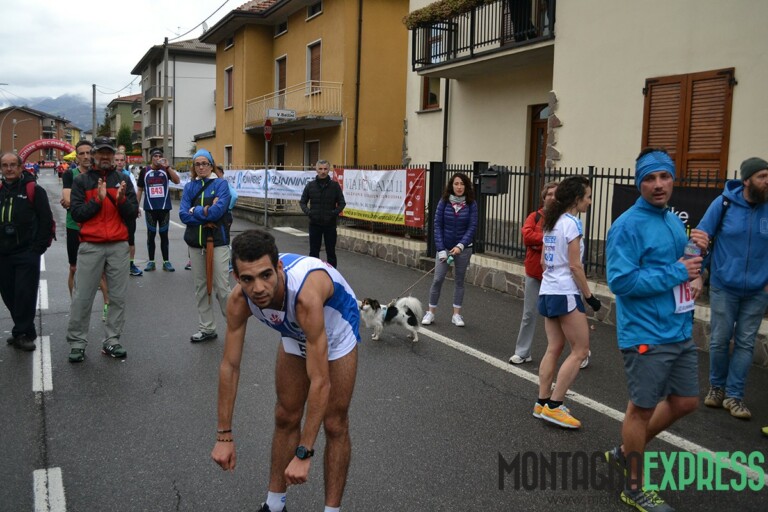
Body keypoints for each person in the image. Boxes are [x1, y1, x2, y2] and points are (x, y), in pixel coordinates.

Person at [211, 229, 359, 512]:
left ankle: (332, 510)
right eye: (248, 279)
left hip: (335, 325)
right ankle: (275, 504)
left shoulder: (305, 298)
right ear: (236, 277)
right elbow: (230, 366)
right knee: (285, 414)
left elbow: (320, 382)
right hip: (295, 329)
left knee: (334, 423)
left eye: (266, 275)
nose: (258, 288)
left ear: (279, 267)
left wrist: (304, 452)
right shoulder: (239, 301)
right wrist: (224, 436)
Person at [606, 148, 705, 511]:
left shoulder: (673, 221)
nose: (658, 184)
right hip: (645, 332)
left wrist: (696, 269)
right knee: (641, 410)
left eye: (664, 176)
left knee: (685, 401)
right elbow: (621, 281)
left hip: (678, 328)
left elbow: (684, 267)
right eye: (649, 178)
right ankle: (634, 488)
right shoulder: (626, 226)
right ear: (639, 183)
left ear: (672, 179)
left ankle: (625, 450)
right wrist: (679, 271)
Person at [693, 157, 768, 420]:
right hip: (724, 286)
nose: (767, 181)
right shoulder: (724, 203)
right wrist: (696, 274)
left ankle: (734, 396)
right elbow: (699, 237)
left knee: (746, 343)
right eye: (761, 176)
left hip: (758, 291)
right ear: (746, 180)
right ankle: (716, 388)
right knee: (719, 339)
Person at [534, 176, 600, 429]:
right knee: (581, 350)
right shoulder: (572, 223)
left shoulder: (551, 222)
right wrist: (589, 296)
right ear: (576, 198)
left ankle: (542, 402)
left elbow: (543, 262)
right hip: (565, 292)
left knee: (554, 347)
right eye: (588, 197)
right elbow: (575, 266)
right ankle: (554, 406)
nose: (590, 202)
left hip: (548, 290)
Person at [66, 137, 139, 362]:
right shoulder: (81, 181)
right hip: (90, 245)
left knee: (117, 297)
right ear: (94, 155)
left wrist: (121, 201)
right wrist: (97, 200)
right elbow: (77, 214)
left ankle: (112, 341)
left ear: (114, 155)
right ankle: (77, 343)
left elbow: (132, 213)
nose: (105, 157)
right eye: (101, 153)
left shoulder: (123, 179)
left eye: (109, 153)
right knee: (82, 297)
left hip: (118, 245)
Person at [0, 152, 54, 352]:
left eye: (13, 165)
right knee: (8, 294)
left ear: (21, 167)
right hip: (3, 254)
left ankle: (21, 333)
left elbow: (46, 220)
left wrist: (37, 249)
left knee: (24, 293)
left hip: (26, 252)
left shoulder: (34, 190)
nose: (9, 169)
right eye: (5, 165)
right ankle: (26, 329)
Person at [179, 149, 231, 343]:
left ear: (211, 165)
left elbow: (218, 212)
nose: (201, 167)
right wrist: (206, 212)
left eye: (205, 163)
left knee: (222, 288)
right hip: (195, 243)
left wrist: (195, 210)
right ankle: (207, 328)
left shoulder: (221, 184)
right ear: (194, 167)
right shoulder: (189, 187)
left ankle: (234, 326)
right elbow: (183, 215)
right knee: (201, 288)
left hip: (218, 242)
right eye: (197, 164)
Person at [60, 140, 110, 320]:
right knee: (74, 268)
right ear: (77, 156)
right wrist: (94, 201)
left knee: (101, 269)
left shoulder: (100, 174)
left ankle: (107, 305)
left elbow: (73, 202)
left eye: (89, 152)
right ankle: (75, 306)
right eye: (81, 153)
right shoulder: (70, 174)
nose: (86, 156)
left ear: (94, 154)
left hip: (96, 226)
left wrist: (77, 202)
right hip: (74, 226)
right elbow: (67, 201)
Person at [421, 172, 478, 327]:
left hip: (463, 250)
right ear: (451, 186)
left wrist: (460, 245)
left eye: (462, 184)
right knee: (437, 279)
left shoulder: (471, 204)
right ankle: (430, 312)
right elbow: (437, 225)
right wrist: (441, 249)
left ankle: (456, 315)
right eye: (456, 184)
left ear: (466, 186)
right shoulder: (444, 202)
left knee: (459, 281)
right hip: (445, 248)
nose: (459, 187)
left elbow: (472, 227)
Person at [509, 181, 558, 364]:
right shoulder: (534, 217)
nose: (552, 197)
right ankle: (523, 352)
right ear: (544, 197)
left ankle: (580, 351)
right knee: (529, 314)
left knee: (562, 316)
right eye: (549, 194)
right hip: (534, 272)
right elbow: (527, 237)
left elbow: (562, 243)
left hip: (555, 275)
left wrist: (541, 243)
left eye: (556, 194)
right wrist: (547, 239)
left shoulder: (564, 219)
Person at [137, 147, 180, 272]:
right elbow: (139, 189)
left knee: (164, 235)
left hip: (164, 208)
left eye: (160, 156)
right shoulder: (144, 171)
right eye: (155, 156)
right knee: (151, 235)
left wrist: (168, 167)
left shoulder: (165, 170)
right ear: (151, 158)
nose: (157, 158)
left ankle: (166, 262)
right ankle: (151, 262)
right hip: (150, 209)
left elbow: (177, 181)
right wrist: (136, 206)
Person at [299, 160, 346, 268]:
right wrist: (309, 213)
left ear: (329, 170)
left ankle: (332, 274)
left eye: (325, 169)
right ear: (316, 170)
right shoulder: (310, 186)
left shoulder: (334, 186)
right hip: (314, 224)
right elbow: (302, 202)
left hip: (330, 225)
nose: (323, 171)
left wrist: (333, 213)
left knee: (331, 252)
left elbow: (342, 203)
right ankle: (314, 273)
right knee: (313, 252)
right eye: (320, 169)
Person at [116, 151, 143, 276]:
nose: (119, 162)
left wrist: (136, 208)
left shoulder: (129, 175)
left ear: (125, 162)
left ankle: (131, 265)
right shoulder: (108, 176)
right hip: (115, 214)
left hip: (128, 212)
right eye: (117, 160)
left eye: (121, 160)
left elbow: (135, 192)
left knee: (130, 240)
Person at [213, 164, 238, 272]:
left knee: (224, 238)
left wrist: (228, 208)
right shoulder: (217, 184)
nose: (215, 174)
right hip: (221, 215)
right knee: (220, 238)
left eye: (217, 172)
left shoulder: (224, 184)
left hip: (225, 215)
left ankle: (229, 263)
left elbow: (234, 196)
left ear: (221, 173)